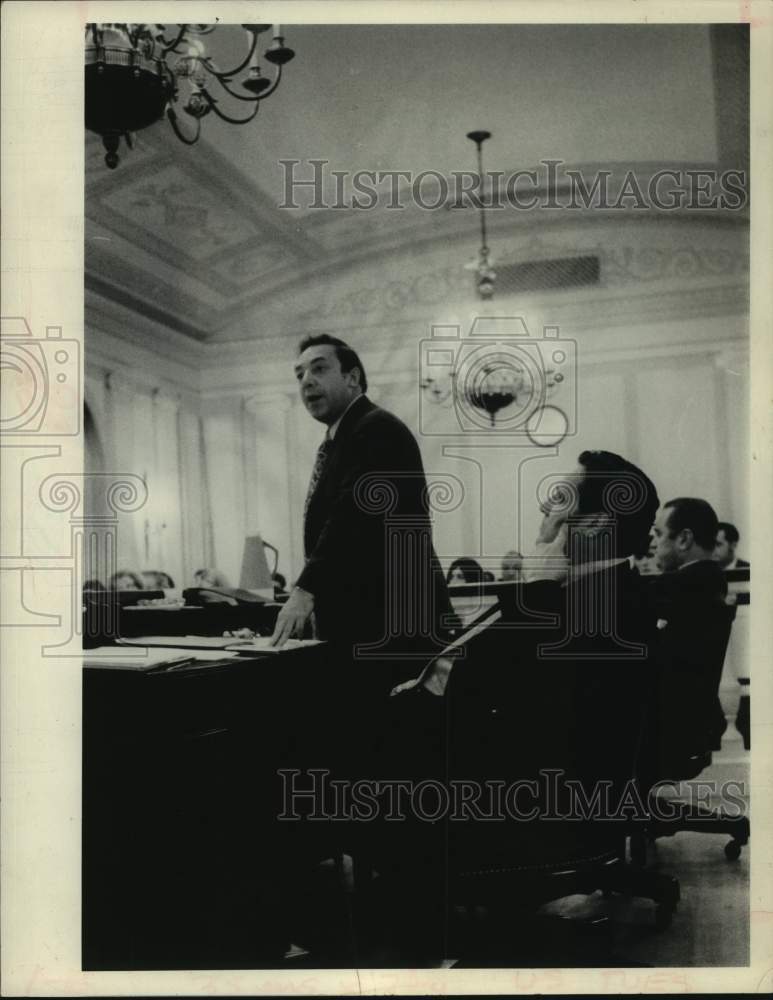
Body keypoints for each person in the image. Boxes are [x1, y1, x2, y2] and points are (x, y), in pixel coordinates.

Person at [270, 334, 452, 679]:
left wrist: (306, 591)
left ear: (352, 378)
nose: (306, 381)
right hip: (372, 626)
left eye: (319, 369)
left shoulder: (375, 429)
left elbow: (351, 517)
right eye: (299, 375)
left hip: (389, 629)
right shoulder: (347, 436)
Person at [648, 496, 729, 756]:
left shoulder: (677, 587)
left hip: (669, 728)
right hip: (694, 724)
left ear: (683, 539)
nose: (652, 542)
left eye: (659, 534)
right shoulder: (709, 581)